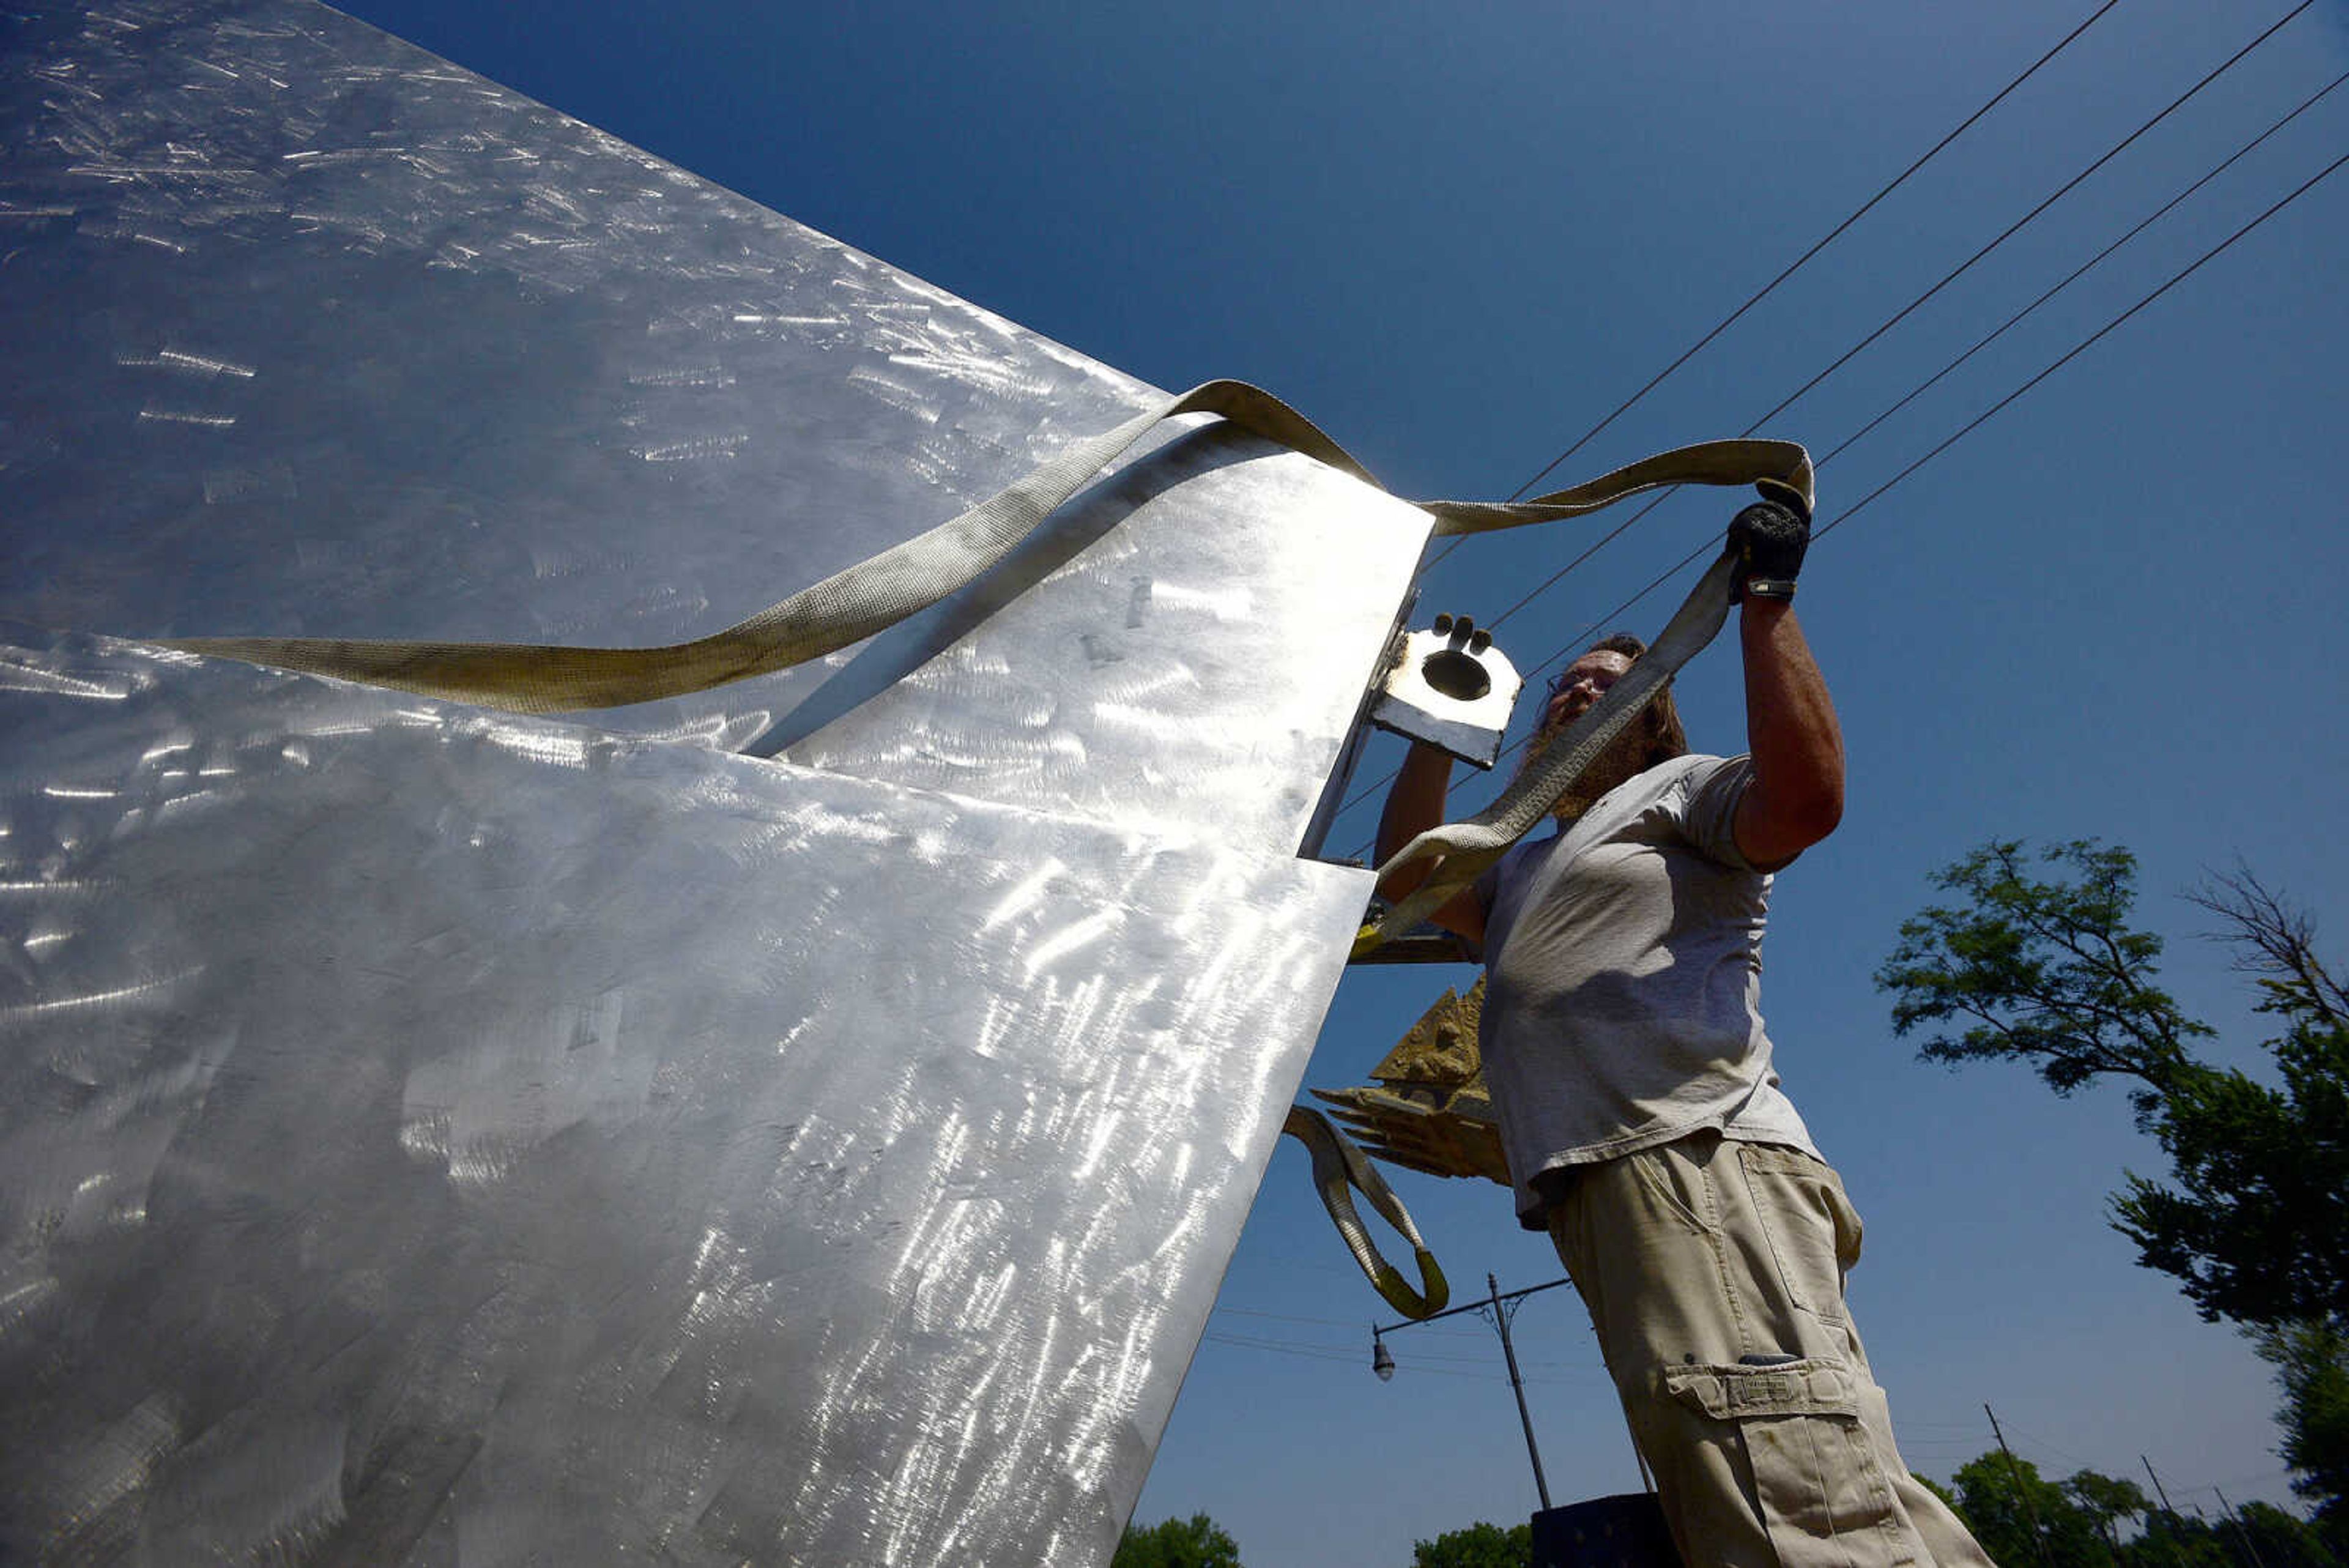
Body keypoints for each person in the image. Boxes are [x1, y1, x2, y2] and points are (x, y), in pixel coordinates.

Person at [1376, 492, 1994, 1568]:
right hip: (1611, 1188)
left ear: (1654, 715)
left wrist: (1764, 605)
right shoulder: (1525, 856)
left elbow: (1802, 804)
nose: (1572, 691)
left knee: (1783, 1487)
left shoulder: (1678, 791)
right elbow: (1415, 887)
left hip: (1694, 1159)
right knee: (1778, 1477)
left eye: (1604, 685)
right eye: (1562, 686)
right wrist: (1436, 723)